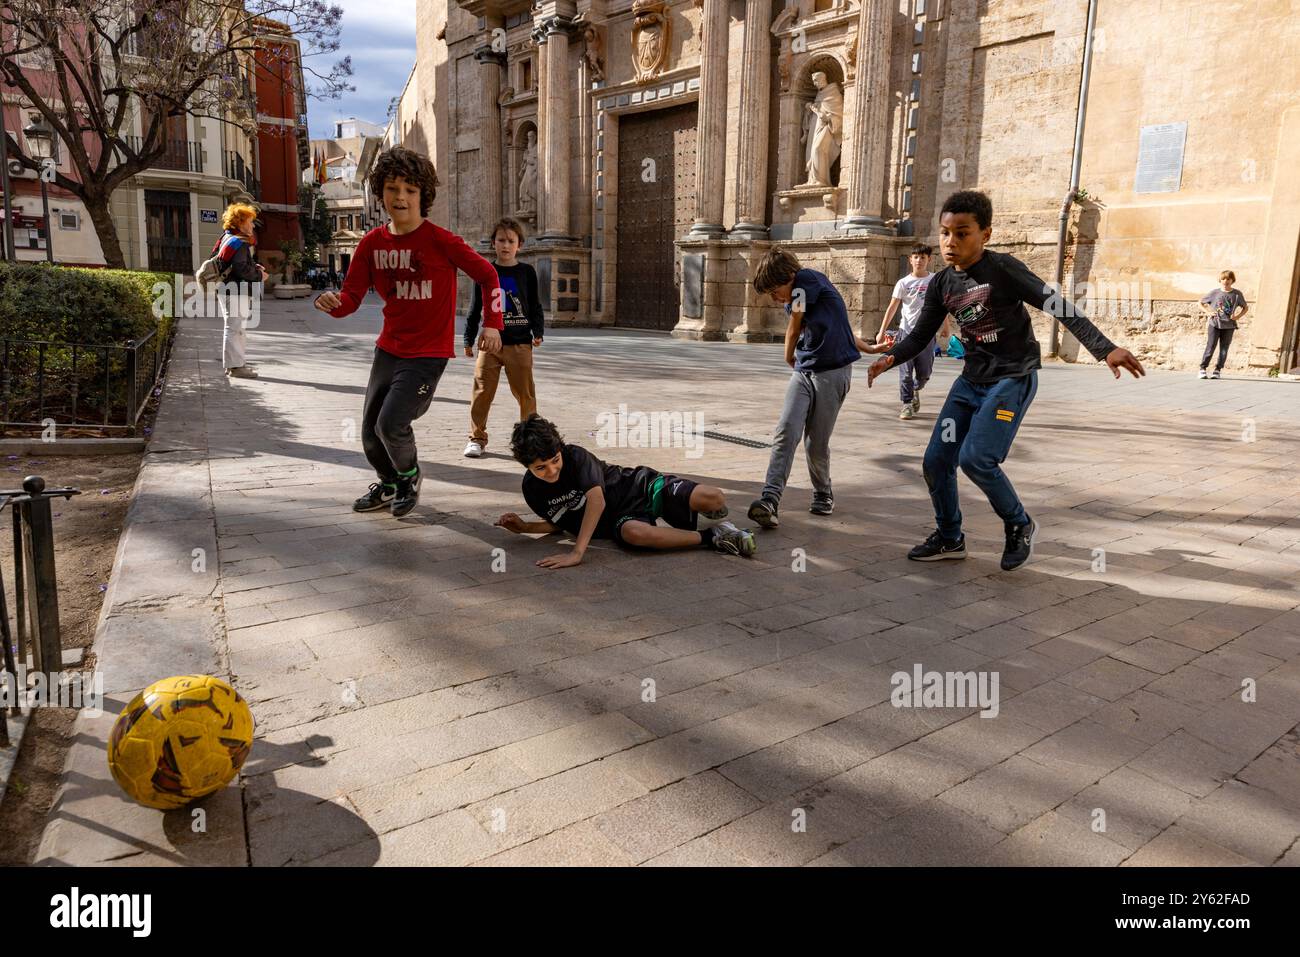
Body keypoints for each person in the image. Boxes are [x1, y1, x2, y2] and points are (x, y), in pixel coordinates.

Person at [867, 189, 1145, 571]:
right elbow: (920, 335)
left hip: (1012, 379)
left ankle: (1019, 524)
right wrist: (890, 356)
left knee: (977, 459)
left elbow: (1056, 304)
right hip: (970, 382)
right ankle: (950, 537)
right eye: (945, 232)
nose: (950, 242)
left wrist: (1104, 347)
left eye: (962, 233)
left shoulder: (1003, 269)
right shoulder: (941, 284)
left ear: (986, 234)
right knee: (936, 460)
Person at [313, 146, 504, 517]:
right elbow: (351, 298)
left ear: (423, 195)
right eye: (391, 188)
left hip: (427, 354)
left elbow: (488, 274)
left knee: (391, 423)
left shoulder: (441, 241)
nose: (400, 197)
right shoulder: (371, 244)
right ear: (380, 193)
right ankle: (388, 484)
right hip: (388, 349)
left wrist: (493, 324)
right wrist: (333, 302)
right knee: (369, 433)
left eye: (410, 190)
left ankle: (409, 476)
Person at [497, 414, 756, 569]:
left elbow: (596, 502)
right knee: (634, 534)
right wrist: (525, 528)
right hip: (621, 519)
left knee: (715, 498)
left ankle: (693, 514)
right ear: (526, 466)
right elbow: (561, 524)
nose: (552, 470)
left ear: (560, 450)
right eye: (541, 468)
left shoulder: (575, 456)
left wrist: (577, 553)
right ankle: (713, 536)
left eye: (554, 460)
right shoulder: (532, 490)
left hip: (640, 486)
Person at [747, 247, 889, 528]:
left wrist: (788, 355)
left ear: (789, 275)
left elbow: (795, 326)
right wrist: (870, 347)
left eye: (775, 290)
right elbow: (841, 326)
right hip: (805, 370)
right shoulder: (800, 296)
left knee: (816, 442)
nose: (775, 299)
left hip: (832, 372)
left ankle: (823, 492)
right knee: (786, 431)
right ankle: (770, 499)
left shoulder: (807, 280)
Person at [463, 218, 545, 458]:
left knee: (525, 395)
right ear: (493, 243)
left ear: (519, 244)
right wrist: (468, 339)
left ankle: (530, 440)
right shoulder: (485, 271)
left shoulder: (527, 272)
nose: (506, 245)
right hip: (489, 345)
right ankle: (476, 438)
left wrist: (538, 331)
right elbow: (474, 307)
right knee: (481, 392)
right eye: (501, 240)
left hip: (519, 343)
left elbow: (535, 305)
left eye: (511, 241)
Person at [875, 243, 936, 419]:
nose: (919, 260)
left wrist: (945, 327)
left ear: (929, 260)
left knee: (924, 373)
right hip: (906, 332)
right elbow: (892, 307)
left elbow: (941, 306)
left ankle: (917, 388)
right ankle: (907, 403)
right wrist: (882, 331)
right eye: (916, 257)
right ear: (910, 260)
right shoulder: (903, 283)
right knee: (905, 371)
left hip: (926, 334)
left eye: (923, 257)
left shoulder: (934, 280)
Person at [213, 203, 267, 379]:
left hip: (227, 289)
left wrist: (253, 265)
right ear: (240, 222)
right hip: (235, 290)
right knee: (235, 329)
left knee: (236, 328)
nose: (252, 225)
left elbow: (226, 263)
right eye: (250, 222)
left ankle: (235, 364)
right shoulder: (239, 242)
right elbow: (240, 268)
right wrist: (259, 275)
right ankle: (236, 367)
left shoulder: (226, 238)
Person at [1197, 270, 1248, 379]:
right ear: (1220, 280)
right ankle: (1202, 369)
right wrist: (1208, 312)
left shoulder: (1237, 294)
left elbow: (1245, 308)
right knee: (1210, 346)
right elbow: (1200, 303)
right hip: (1214, 324)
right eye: (1223, 279)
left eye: (1228, 279)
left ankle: (1217, 370)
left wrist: (1237, 317)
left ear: (1232, 280)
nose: (1226, 281)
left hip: (1229, 326)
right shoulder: (1215, 293)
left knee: (1224, 349)